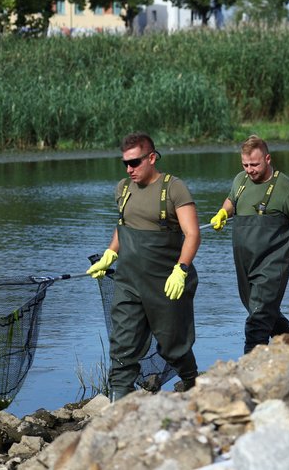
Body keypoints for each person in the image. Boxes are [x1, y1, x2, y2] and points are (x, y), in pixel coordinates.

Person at [85, 132, 201, 401]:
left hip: (167, 283)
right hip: (128, 282)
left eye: (135, 162)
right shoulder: (123, 188)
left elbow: (193, 234)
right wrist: (110, 254)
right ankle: (119, 408)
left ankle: (193, 383)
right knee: (122, 348)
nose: (129, 169)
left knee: (174, 347)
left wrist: (181, 269)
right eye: (125, 163)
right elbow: (123, 225)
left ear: (151, 158)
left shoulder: (174, 188)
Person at [209, 135, 289, 354]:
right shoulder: (240, 181)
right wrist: (223, 212)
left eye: (255, 164)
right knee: (266, 315)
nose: (250, 170)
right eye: (245, 165)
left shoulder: (285, 187)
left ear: (268, 159)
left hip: (273, 265)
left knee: (258, 321)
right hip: (245, 265)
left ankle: (251, 370)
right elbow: (231, 200)